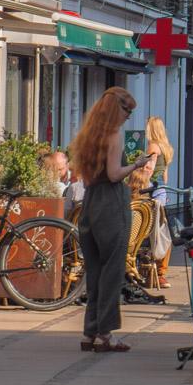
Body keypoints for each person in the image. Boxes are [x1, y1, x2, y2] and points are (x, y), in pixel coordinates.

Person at [68, 87, 146, 353]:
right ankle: (106, 333)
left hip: (90, 203)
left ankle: (89, 332)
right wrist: (136, 165)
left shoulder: (88, 136)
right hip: (111, 204)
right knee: (112, 270)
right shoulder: (114, 136)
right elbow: (114, 174)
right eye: (128, 111)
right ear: (117, 109)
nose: (129, 116)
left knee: (95, 270)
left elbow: (88, 177)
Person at [143, 116, 175, 287]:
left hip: (153, 189)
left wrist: (140, 176)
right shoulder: (166, 147)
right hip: (162, 189)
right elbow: (165, 175)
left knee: (152, 231)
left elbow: (150, 168)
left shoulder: (153, 146)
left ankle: (158, 272)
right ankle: (160, 271)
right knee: (161, 230)